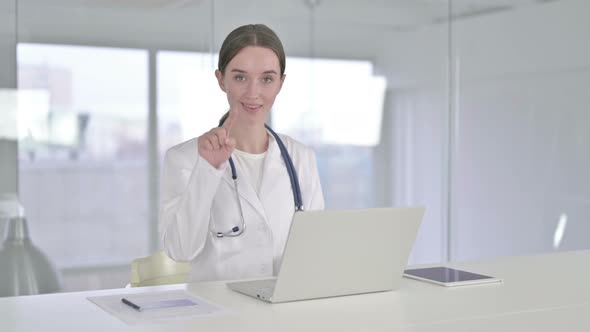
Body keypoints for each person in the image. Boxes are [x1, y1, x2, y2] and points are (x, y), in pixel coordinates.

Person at [159, 24, 325, 282]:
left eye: (267, 79)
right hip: (218, 316)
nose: (253, 93)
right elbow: (181, 250)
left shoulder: (301, 157)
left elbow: (315, 249)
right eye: (240, 77)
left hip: (284, 314)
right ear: (220, 79)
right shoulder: (184, 158)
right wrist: (207, 170)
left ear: (281, 83)